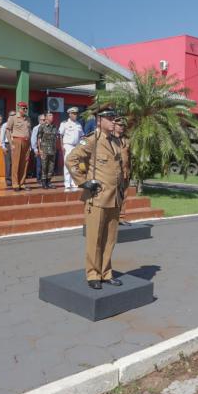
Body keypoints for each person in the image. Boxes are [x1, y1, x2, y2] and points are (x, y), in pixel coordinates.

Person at [67, 106, 128, 290]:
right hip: (98, 197)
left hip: (114, 198)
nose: (113, 121)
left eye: (114, 118)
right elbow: (72, 159)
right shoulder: (92, 140)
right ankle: (93, 274)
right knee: (95, 239)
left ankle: (106, 272)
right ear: (100, 121)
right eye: (109, 118)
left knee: (110, 239)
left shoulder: (116, 142)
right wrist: (83, 182)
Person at [5, 102, 32, 191]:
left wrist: (30, 144)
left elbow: (29, 131)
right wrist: (11, 143)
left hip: (26, 142)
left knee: (24, 163)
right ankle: (15, 183)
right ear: (19, 108)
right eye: (23, 108)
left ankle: (22, 183)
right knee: (16, 163)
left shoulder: (28, 119)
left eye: (26, 108)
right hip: (17, 141)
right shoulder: (13, 118)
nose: (25, 110)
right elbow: (8, 131)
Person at [59, 107, 84, 191]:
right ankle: (67, 183)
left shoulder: (78, 124)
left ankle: (74, 182)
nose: (75, 115)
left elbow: (82, 136)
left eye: (76, 114)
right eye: (73, 113)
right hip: (68, 145)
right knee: (67, 164)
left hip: (76, 146)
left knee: (75, 164)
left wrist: (81, 146)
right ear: (69, 114)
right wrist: (62, 146)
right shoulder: (64, 123)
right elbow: (60, 135)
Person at [113, 116, 132, 222]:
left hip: (125, 172)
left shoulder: (126, 140)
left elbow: (129, 157)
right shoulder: (110, 140)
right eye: (119, 125)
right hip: (115, 172)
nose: (122, 127)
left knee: (124, 194)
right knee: (114, 195)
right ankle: (113, 217)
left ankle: (121, 217)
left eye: (123, 125)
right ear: (114, 126)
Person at [36, 111, 59, 189]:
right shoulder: (42, 127)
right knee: (44, 167)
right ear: (46, 117)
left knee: (51, 167)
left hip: (52, 150)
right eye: (50, 115)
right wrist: (40, 150)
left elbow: (56, 137)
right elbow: (38, 139)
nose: (52, 116)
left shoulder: (54, 127)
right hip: (44, 150)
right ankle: (43, 182)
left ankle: (49, 182)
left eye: (52, 115)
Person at [0, 111, 15, 188]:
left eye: (14, 115)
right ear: (8, 116)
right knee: (8, 163)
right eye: (12, 115)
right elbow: (2, 136)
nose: (13, 116)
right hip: (7, 145)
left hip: (16, 145)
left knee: (15, 163)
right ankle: (8, 180)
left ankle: (15, 179)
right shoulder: (5, 125)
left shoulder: (16, 125)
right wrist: (3, 146)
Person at [31, 113, 46, 183]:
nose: (44, 121)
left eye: (45, 119)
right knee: (39, 164)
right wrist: (35, 149)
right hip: (39, 147)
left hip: (46, 148)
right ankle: (39, 178)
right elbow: (33, 139)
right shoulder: (36, 128)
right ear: (39, 120)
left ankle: (44, 178)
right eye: (43, 120)